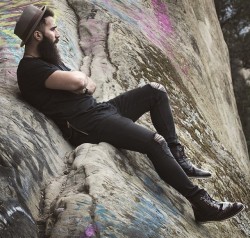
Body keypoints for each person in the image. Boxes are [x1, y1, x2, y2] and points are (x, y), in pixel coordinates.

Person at [14, 5, 245, 223]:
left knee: (155, 91)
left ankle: (179, 159)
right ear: (37, 36)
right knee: (154, 142)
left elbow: (88, 84)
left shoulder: (47, 62)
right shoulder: (30, 69)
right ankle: (201, 203)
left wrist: (81, 83)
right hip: (86, 125)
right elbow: (79, 80)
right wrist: (80, 82)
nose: (57, 34)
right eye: (52, 29)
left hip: (100, 111)